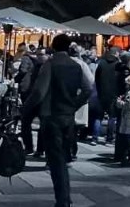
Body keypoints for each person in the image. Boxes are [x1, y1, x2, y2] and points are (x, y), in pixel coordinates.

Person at [22, 34, 89, 207]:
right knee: (63, 159)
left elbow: (39, 92)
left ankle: (63, 199)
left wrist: (25, 108)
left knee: (56, 161)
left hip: (51, 115)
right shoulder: (76, 66)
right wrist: (75, 104)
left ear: (53, 46)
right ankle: (65, 196)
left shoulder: (49, 65)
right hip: (68, 116)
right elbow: (88, 88)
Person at [94, 46, 122, 144]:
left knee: (98, 117)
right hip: (113, 93)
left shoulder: (101, 63)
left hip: (102, 93)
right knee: (112, 116)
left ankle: (95, 137)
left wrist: (99, 89)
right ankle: (109, 137)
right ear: (117, 54)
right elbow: (120, 80)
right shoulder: (118, 65)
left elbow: (96, 78)